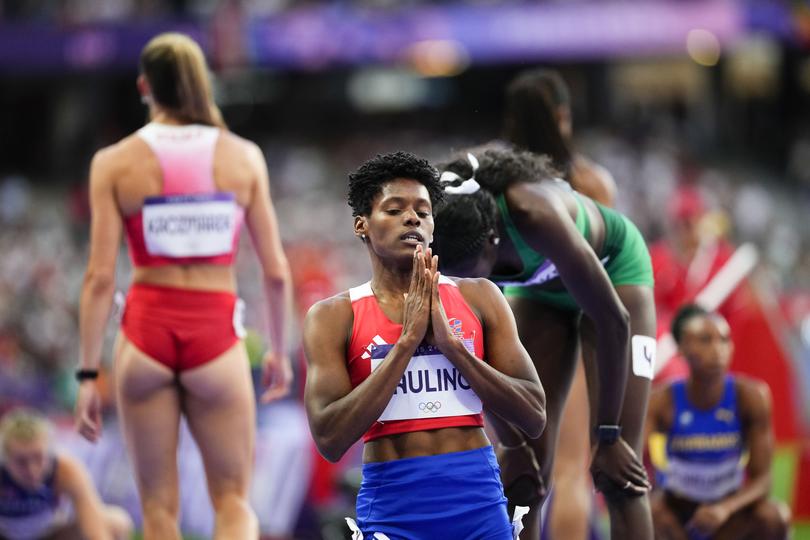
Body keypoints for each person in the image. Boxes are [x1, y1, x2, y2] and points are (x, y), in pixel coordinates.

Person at [74, 32, 292, 540]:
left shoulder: (113, 162)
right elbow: (276, 271)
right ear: (201, 83)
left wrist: (87, 373)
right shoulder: (243, 157)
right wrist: (278, 353)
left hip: (146, 330)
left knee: (157, 510)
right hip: (214, 333)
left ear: (144, 85)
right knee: (234, 502)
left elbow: (100, 276)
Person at [302, 151, 546, 539]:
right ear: (361, 225)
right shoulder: (333, 317)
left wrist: (453, 347)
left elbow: (534, 414)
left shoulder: (481, 298)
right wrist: (406, 344)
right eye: (394, 209)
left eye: (423, 211)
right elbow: (330, 440)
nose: (412, 218)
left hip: (478, 504)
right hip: (394, 510)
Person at [432, 147, 656, 539]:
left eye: (473, 275)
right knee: (520, 478)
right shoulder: (446, 238)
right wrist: (514, 443)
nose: (465, 287)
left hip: (616, 275)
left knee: (618, 473)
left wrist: (608, 434)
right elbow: (481, 368)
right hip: (542, 294)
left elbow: (613, 320)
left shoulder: (534, 214)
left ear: (492, 240)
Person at [503, 68, 618, 540]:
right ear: (563, 117)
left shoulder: (500, 183)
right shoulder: (591, 183)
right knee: (570, 469)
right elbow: (612, 269)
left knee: (525, 468)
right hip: (572, 318)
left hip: (514, 323)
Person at [645, 305, 790, 540]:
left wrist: (725, 509)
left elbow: (763, 480)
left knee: (774, 517)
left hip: (727, 514)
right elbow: (631, 463)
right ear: (681, 349)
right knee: (645, 513)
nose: (717, 350)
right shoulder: (661, 401)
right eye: (705, 340)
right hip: (677, 513)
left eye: (724, 340)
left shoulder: (751, 397)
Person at [0, 409, 133, 540]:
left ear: (49, 453)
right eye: (21, 461)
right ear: (5, 458)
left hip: (50, 535)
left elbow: (95, 529)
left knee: (116, 522)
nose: (31, 469)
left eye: (38, 458)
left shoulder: (66, 471)